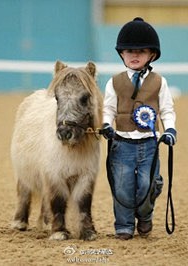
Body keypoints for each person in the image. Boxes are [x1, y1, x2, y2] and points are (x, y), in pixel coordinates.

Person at [102, 17, 177, 240]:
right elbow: (108, 109)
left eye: (141, 51)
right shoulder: (113, 82)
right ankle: (124, 225)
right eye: (129, 51)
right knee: (122, 187)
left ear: (151, 55)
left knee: (146, 186)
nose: (134, 55)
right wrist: (107, 125)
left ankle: (145, 215)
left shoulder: (159, 82)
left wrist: (170, 129)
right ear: (122, 54)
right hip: (122, 144)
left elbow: (167, 109)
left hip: (149, 145)